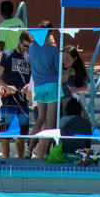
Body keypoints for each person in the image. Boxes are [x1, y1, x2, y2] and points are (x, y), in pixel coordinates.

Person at [0, 30, 33, 159]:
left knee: (22, 135)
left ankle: (20, 160)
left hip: (23, 101)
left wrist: (29, 86)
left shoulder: (29, 58)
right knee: (5, 135)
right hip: (8, 100)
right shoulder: (7, 55)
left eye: (29, 46)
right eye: (24, 45)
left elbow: (31, 79)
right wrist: (6, 87)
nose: (26, 48)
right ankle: (5, 160)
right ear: (19, 41)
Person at [28, 20, 58, 160]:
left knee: (40, 118)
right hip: (52, 85)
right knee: (51, 121)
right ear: (50, 33)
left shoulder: (32, 48)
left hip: (38, 86)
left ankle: (29, 149)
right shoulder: (53, 50)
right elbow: (57, 69)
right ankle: (45, 152)